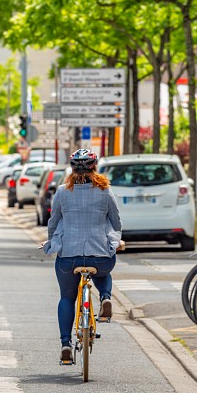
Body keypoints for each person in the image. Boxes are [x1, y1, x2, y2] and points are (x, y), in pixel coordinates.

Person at [42, 149, 122, 364]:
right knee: (103, 268)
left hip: (69, 256)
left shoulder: (61, 192)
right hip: (100, 256)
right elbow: (116, 222)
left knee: (67, 297)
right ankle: (105, 297)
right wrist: (117, 241)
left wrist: (51, 241)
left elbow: (54, 221)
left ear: (72, 169)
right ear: (95, 168)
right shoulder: (105, 192)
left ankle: (66, 344)